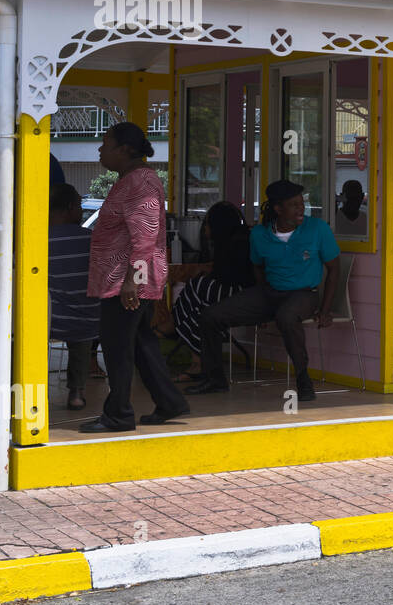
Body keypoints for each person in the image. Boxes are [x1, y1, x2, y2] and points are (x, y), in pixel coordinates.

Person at [187, 179, 339, 402]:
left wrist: (325, 310)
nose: (301, 209)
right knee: (211, 316)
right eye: (294, 205)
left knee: (286, 316)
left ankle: (303, 379)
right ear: (278, 209)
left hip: (304, 293)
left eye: (302, 203)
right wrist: (262, 299)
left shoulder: (317, 229)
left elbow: (334, 269)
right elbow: (258, 267)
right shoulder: (259, 234)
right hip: (270, 292)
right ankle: (214, 379)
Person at [80, 123, 189, 432]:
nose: (100, 150)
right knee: (142, 344)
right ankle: (169, 402)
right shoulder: (129, 180)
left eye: (105, 144)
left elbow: (144, 235)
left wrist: (132, 280)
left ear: (125, 149)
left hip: (125, 282)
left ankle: (118, 416)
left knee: (118, 349)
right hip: (125, 279)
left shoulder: (140, 182)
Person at [171, 201, 255, 383]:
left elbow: (226, 277)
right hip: (235, 292)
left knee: (193, 290)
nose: (205, 228)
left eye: (208, 223)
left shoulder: (236, 244)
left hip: (239, 294)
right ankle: (198, 359)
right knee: (196, 305)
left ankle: (192, 351)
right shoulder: (235, 240)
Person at [48, 184, 100, 411]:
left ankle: (30, 389)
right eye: (79, 206)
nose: (81, 211)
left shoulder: (36, 238)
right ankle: (76, 393)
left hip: (50, 319)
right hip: (88, 319)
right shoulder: (92, 239)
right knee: (81, 343)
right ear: (70, 208)